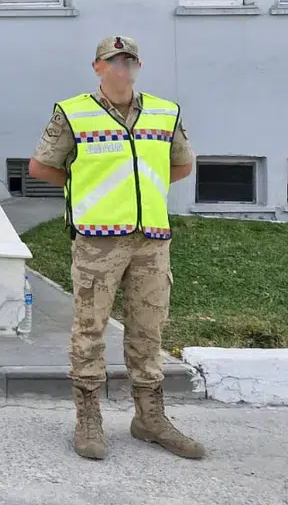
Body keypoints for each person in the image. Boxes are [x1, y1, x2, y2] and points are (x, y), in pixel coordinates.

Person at [28, 35, 204, 461]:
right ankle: (88, 418)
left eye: (128, 61)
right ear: (98, 67)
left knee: (149, 330)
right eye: (113, 61)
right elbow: (40, 167)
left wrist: (143, 189)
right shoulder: (73, 113)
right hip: (97, 240)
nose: (121, 68)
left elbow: (181, 164)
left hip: (151, 240)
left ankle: (150, 417)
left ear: (138, 67)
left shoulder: (165, 112)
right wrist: (87, 190)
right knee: (90, 330)